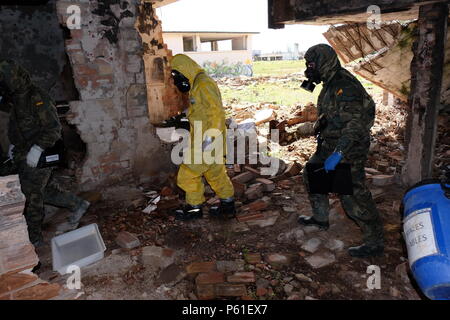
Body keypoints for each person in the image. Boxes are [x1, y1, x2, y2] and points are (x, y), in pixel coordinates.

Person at [296, 44, 384, 258]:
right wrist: (313, 128)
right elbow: (330, 116)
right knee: (313, 172)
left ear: (324, 62)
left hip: (349, 146)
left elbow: (354, 125)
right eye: (308, 65)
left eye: (312, 64)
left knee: (351, 193)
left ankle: (375, 241)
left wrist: (339, 154)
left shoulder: (344, 85)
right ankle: (321, 218)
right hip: (330, 142)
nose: (310, 68)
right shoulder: (330, 82)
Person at [0, 59, 90, 247]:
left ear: (16, 77)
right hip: (23, 153)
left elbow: (53, 129)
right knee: (46, 191)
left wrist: (37, 149)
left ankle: (34, 239)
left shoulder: (36, 96)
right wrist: (13, 146)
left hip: (40, 152)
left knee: (31, 196)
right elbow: (18, 127)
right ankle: (77, 204)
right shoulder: (16, 97)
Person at [169, 54, 235, 221]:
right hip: (208, 139)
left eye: (178, 76)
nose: (177, 82)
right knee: (215, 174)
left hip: (207, 140)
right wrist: (184, 118)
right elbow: (200, 111)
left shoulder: (203, 84)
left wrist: (210, 139)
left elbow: (216, 113)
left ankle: (194, 208)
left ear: (186, 70)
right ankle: (228, 206)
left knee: (187, 174)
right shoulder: (197, 85)